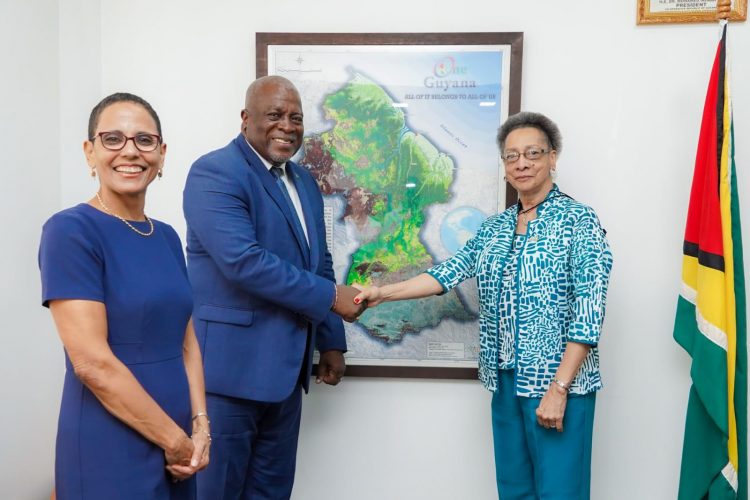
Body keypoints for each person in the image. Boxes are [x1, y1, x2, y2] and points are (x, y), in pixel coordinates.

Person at [353, 111, 613, 500]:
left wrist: (559, 388)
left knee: (561, 492)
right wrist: (380, 293)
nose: (521, 163)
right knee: (514, 490)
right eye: (511, 156)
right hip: (505, 381)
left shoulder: (579, 221)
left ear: (553, 158)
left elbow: (590, 310)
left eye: (533, 153)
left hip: (558, 381)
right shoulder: (494, 228)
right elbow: (446, 274)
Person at [183, 75, 364, 499]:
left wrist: (331, 341)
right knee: (215, 492)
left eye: (296, 118)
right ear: (246, 120)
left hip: (286, 377)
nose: (287, 125)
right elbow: (243, 262)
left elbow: (318, 261)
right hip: (226, 377)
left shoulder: (303, 182)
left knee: (271, 492)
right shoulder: (214, 172)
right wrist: (329, 299)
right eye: (275, 115)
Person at [38, 93, 210, 499]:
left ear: (162, 154)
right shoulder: (70, 231)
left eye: (144, 140)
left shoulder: (166, 235)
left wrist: (200, 425)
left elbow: (187, 342)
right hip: (109, 440)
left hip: (180, 439)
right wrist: (175, 441)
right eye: (113, 138)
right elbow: (92, 364)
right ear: (90, 151)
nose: (129, 151)